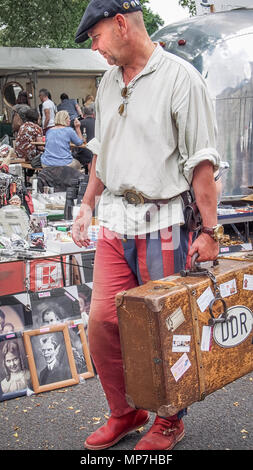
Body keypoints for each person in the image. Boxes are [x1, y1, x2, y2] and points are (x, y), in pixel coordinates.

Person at [72, 0, 221, 451]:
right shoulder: (107, 82)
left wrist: (210, 232)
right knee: (102, 323)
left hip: (163, 222)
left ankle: (169, 418)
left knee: (163, 327)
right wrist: (86, 205)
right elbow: (103, 152)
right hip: (116, 221)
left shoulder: (181, 78)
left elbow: (202, 165)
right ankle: (126, 411)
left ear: (121, 24)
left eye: (96, 37)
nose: (95, 47)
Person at [74, 106, 95, 172]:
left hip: (83, 152)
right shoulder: (98, 123)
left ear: (83, 115)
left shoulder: (79, 124)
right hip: (95, 152)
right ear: (93, 114)